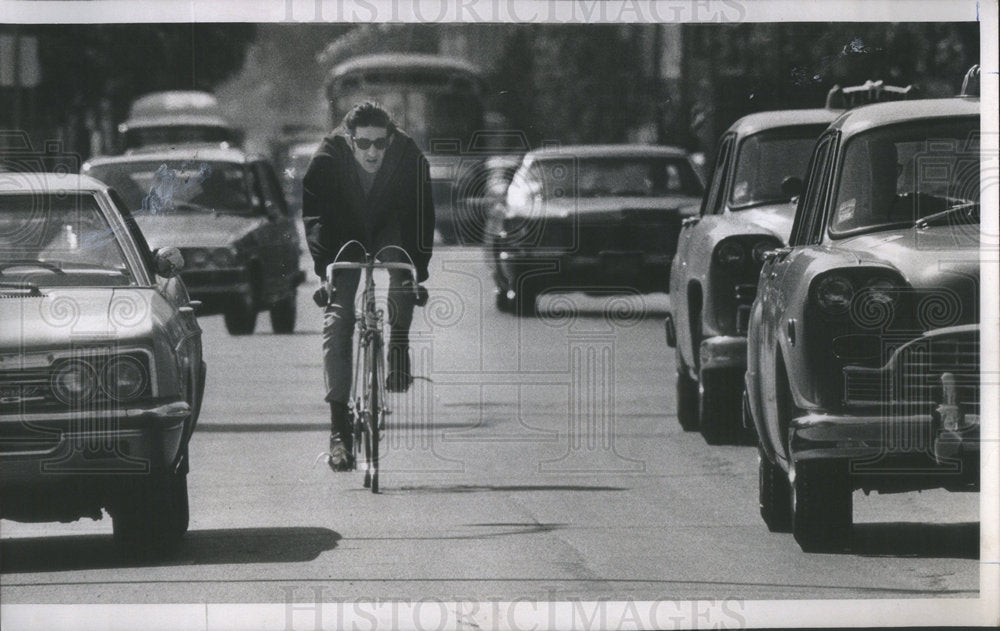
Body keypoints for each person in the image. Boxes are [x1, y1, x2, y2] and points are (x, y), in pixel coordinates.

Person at [302, 101, 435, 471]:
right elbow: (316, 215)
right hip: (345, 231)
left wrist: (415, 270)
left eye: (379, 143)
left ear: (390, 139)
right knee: (338, 319)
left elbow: (423, 214)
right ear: (349, 139)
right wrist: (325, 269)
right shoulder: (328, 157)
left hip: (391, 226)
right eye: (363, 144)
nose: (372, 151)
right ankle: (339, 431)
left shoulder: (409, 155)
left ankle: (398, 346)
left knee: (400, 273)